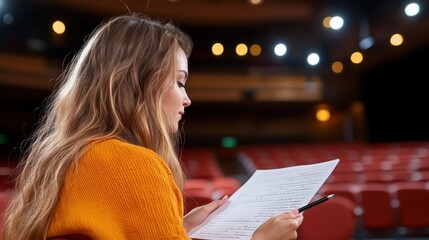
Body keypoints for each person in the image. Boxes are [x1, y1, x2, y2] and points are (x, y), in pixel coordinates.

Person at [3, 13, 303, 239]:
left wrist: (179, 228)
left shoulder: (62, 158)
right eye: (179, 82)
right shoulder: (133, 164)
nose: (186, 99)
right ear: (137, 83)